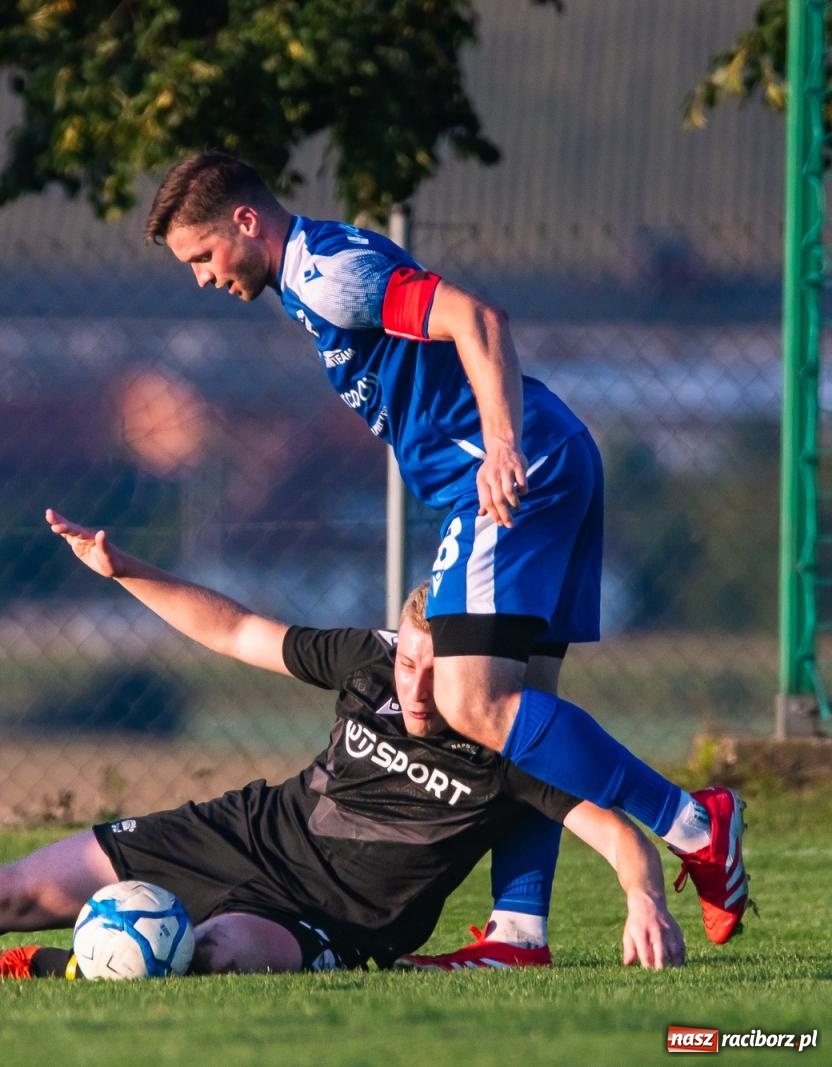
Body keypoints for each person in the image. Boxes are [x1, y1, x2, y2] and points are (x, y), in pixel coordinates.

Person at [141, 151, 750, 949]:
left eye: (202, 256)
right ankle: (520, 929)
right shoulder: (306, 278)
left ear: (245, 222)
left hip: (506, 472)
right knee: (523, 699)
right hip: (545, 457)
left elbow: (478, 318)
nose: (202, 278)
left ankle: (696, 824)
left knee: (469, 702)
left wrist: (499, 445)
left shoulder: (326, 273)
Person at [0, 514, 697, 981]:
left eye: (441, 670)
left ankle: (55, 969)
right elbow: (232, 628)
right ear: (397, 645)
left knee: (215, 953)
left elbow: (610, 828)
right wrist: (125, 568)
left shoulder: (506, 730)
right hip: (231, 834)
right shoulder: (364, 659)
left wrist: (643, 896)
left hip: (337, 920)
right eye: (412, 663)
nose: (422, 686)